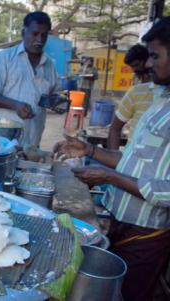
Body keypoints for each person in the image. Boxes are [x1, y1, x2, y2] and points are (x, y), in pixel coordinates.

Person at [54, 17, 170, 301]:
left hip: (148, 232)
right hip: (122, 222)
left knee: (130, 294)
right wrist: (90, 152)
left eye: (155, 55)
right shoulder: (162, 102)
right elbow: (134, 161)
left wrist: (109, 177)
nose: (149, 63)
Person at [0, 11, 59, 148]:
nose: (40, 40)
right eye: (35, 34)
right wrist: (15, 105)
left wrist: (56, 101)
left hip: (33, 142)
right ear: (24, 33)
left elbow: (52, 95)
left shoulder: (49, 65)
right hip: (3, 143)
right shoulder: (5, 58)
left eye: (44, 35)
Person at [107, 45, 154, 149]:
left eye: (136, 65)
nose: (134, 69)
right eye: (132, 66)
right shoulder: (136, 90)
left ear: (146, 61)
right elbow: (115, 127)